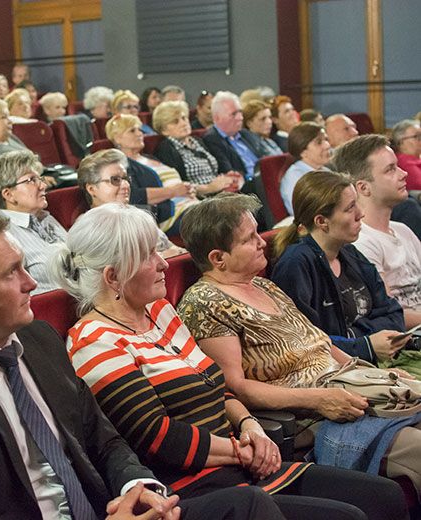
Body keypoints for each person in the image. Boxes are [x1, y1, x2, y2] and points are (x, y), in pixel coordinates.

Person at [0, 209, 293, 520]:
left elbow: (105, 440)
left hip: (108, 507)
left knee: (261, 507)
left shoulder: (38, 340)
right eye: (11, 274)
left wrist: (139, 487)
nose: (30, 283)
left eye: (25, 266)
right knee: (252, 507)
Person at [50, 202, 408, 520]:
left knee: (383, 496)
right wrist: (242, 450)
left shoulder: (159, 312)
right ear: (113, 276)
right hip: (194, 486)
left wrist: (250, 425)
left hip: (240, 462)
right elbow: (158, 438)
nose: (164, 263)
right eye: (148, 255)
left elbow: (215, 385)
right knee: (349, 515)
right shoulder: (94, 342)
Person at [176, 192, 421, 499]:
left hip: (350, 390)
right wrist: (319, 399)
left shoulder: (264, 285)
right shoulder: (204, 304)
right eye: (250, 238)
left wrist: (380, 376)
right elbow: (235, 387)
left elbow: (320, 342)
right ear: (218, 258)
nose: (263, 242)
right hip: (312, 414)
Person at [272, 170, 413, 368]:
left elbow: (394, 314)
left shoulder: (349, 252)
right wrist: (365, 345)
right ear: (322, 221)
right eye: (349, 208)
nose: (360, 214)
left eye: (357, 203)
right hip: (335, 373)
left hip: (377, 361)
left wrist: (358, 338)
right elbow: (303, 342)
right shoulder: (295, 264)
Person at [336, 135, 421, 329]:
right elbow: (391, 315)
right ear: (364, 187)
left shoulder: (403, 230)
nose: (403, 174)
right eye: (390, 170)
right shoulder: (361, 241)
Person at [0, 149, 65, 295]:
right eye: (31, 180)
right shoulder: (1, 235)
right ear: (9, 194)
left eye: (40, 179)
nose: (43, 186)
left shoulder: (47, 218)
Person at [76, 149, 185, 257]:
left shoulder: (140, 214)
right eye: (115, 180)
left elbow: (171, 246)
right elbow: (118, 267)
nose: (125, 185)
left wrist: (177, 252)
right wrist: (165, 256)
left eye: (126, 178)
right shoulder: (89, 227)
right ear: (92, 189)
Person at [106, 114, 197, 234]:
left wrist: (188, 189)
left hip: (191, 205)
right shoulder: (121, 166)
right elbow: (133, 196)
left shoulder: (150, 157)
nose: (140, 134)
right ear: (117, 138)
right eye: (132, 131)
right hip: (171, 216)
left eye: (140, 130)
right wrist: (173, 191)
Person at [152, 101, 239, 196]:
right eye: (175, 122)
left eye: (184, 118)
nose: (183, 123)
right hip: (199, 199)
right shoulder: (166, 149)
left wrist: (226, 179)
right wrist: (209, 188)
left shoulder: (197, 141)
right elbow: (178, 187)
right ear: (164, 130)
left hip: (220, 192)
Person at [279, 123, 332, 215]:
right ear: (303, 152)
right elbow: (306, 213)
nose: (327, 145)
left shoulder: (326, 171)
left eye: (326, 139)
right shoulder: (295, 177)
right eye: (319, 142)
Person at [392, 119, 421, 190]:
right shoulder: (405, 162)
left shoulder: (415, 158)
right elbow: (418, 184)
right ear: (401, 142)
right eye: (417, 136)